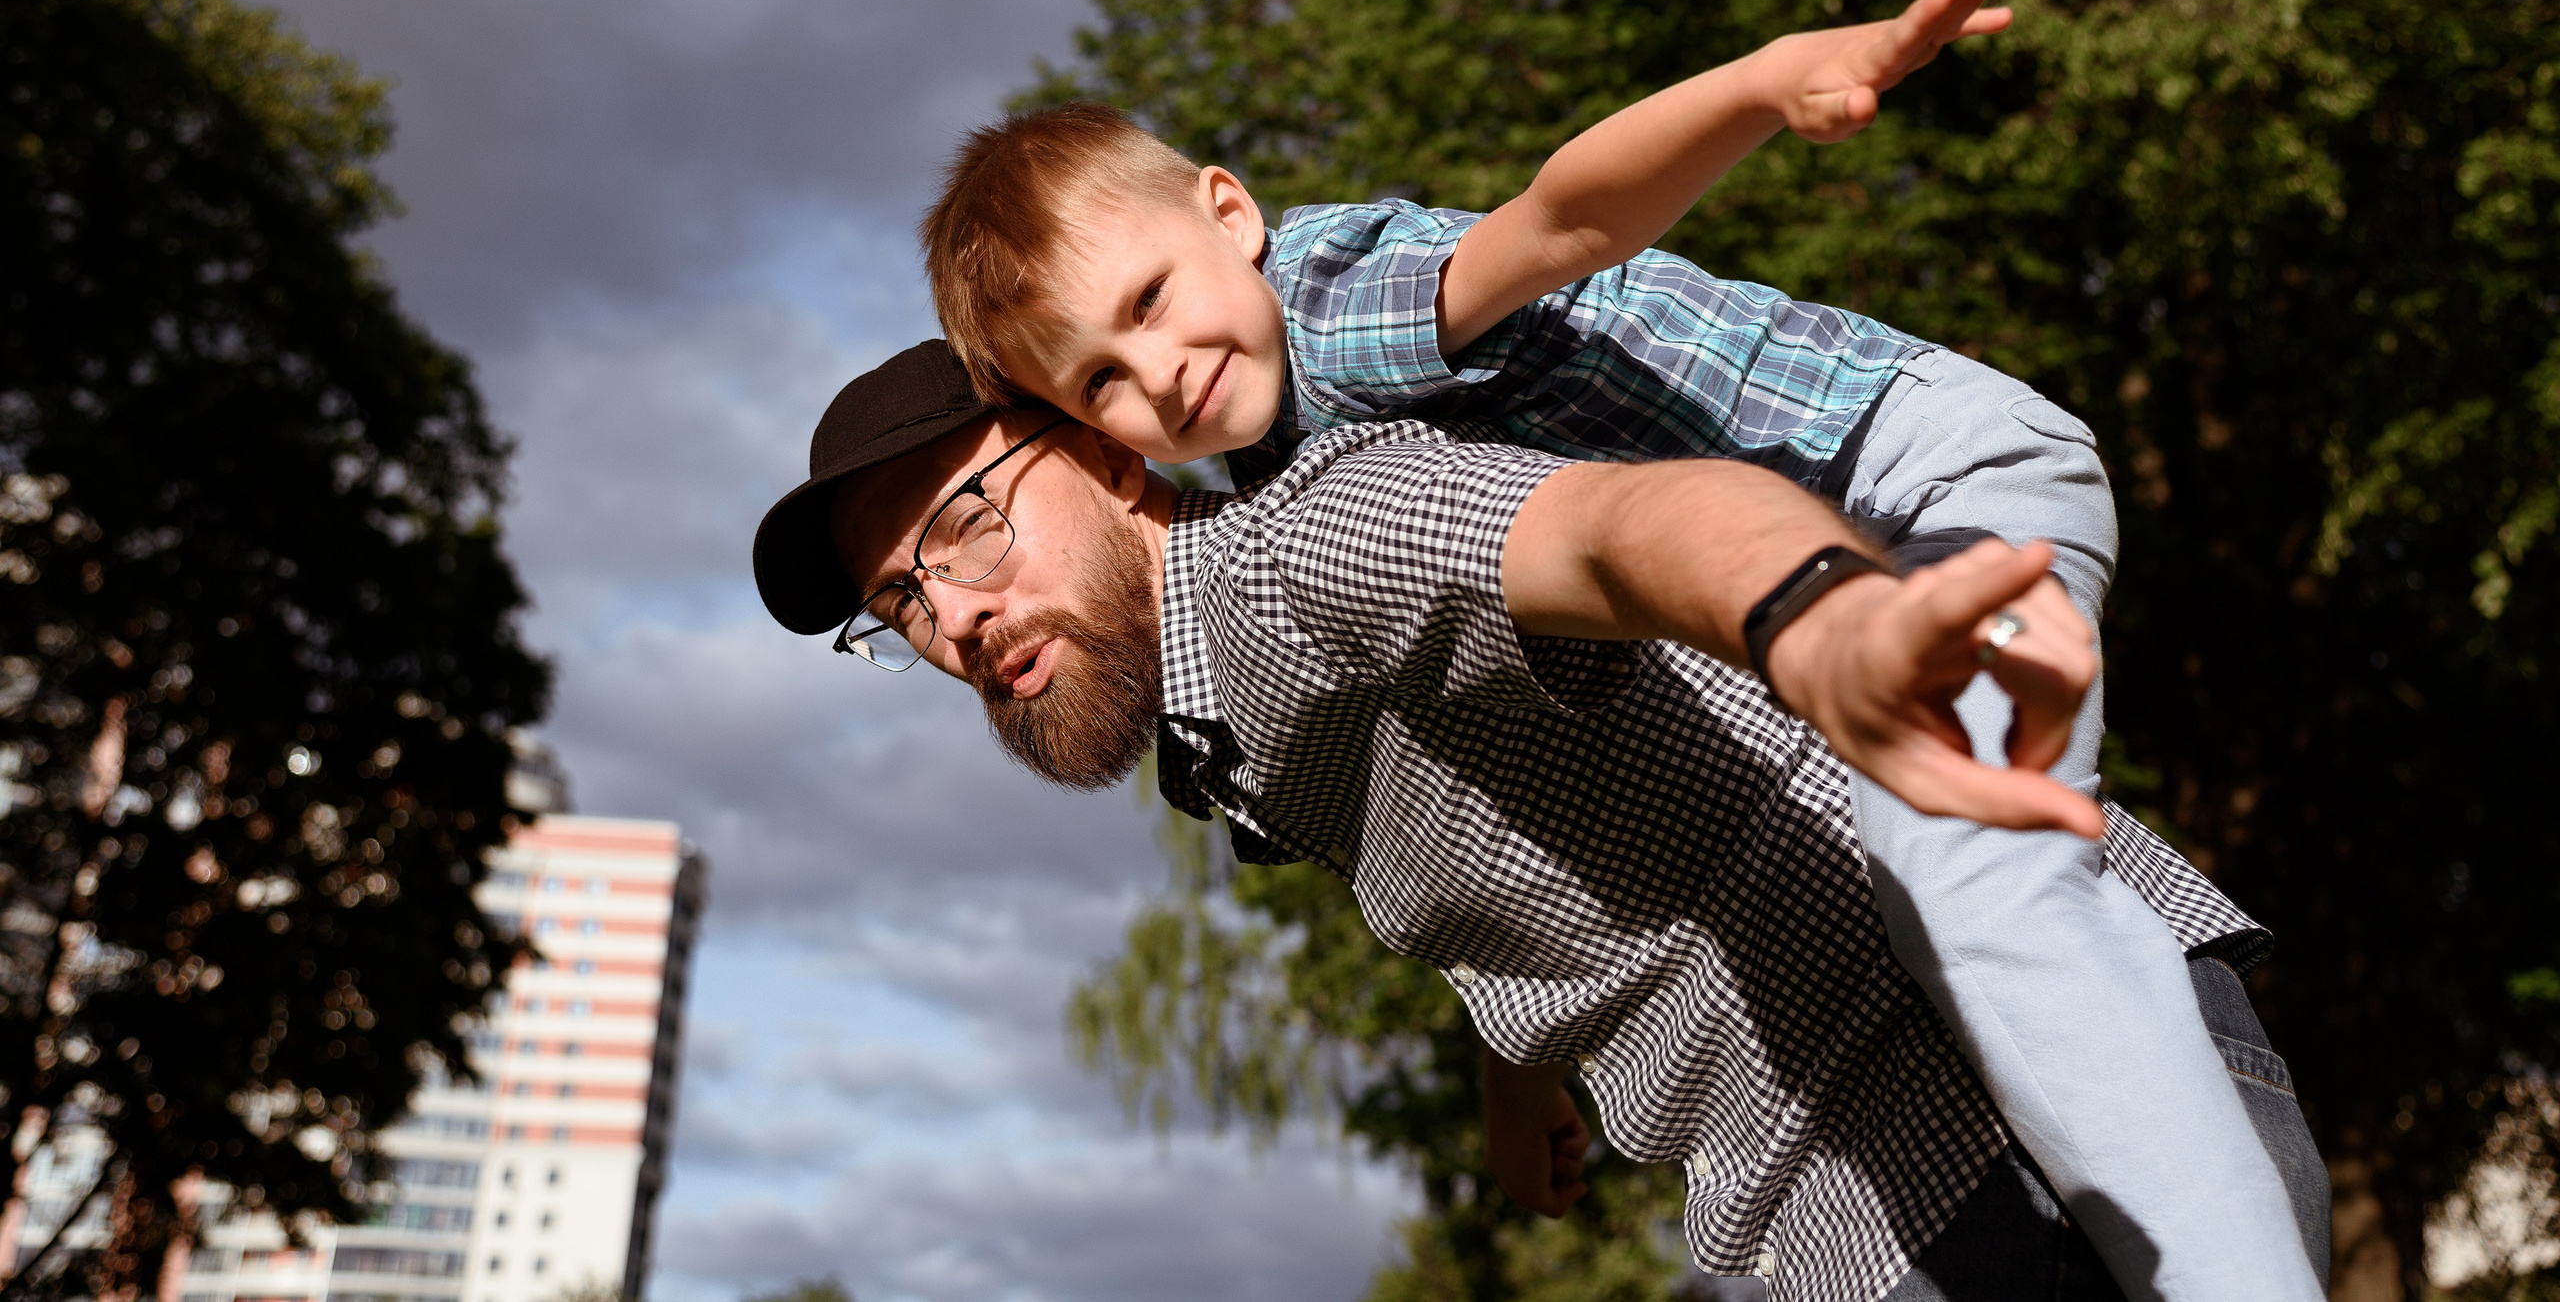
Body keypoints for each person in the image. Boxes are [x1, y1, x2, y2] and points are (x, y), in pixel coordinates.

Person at [910, 0, 2324, 1298]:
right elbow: (1494, 809)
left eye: (1151, 303)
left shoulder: (1339, 312)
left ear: (1231, 212)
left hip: (1926, 467)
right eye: (1103, 377)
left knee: (1956, 849)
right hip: (1855, 545)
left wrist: (1765, 86)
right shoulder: (1276, 507)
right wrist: (1518, 1067)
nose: (1160, 371)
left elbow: (1569, 217)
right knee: (1949, 835)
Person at [749, 342, 2331, 1301]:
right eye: (899, 600)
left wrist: (1825, 621)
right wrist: (1520, 1069)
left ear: (1109, 454)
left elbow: (1620, 528)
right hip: (1855, 1196)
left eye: (965, 522)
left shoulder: (1310, 549)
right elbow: (1510, 813)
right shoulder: (1226, 725)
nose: (949, 613)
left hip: (1984, 1105)